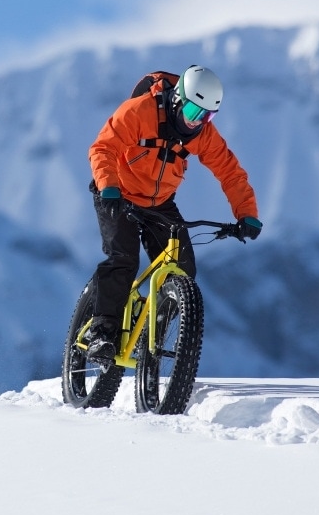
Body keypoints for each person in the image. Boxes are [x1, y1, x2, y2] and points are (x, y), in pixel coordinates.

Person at [86, 64, 262, 362]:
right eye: (195, 113)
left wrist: (247, 214)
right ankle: (101, 333)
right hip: (118, 193)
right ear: (178, 99)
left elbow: (230, 173)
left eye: (208, 116)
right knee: (123, 259)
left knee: (182, 268)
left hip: (159, 203)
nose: (198, 122)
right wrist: (109, 187)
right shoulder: (140, 111)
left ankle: (150, 333)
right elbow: (103, 147)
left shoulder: (203, 134)